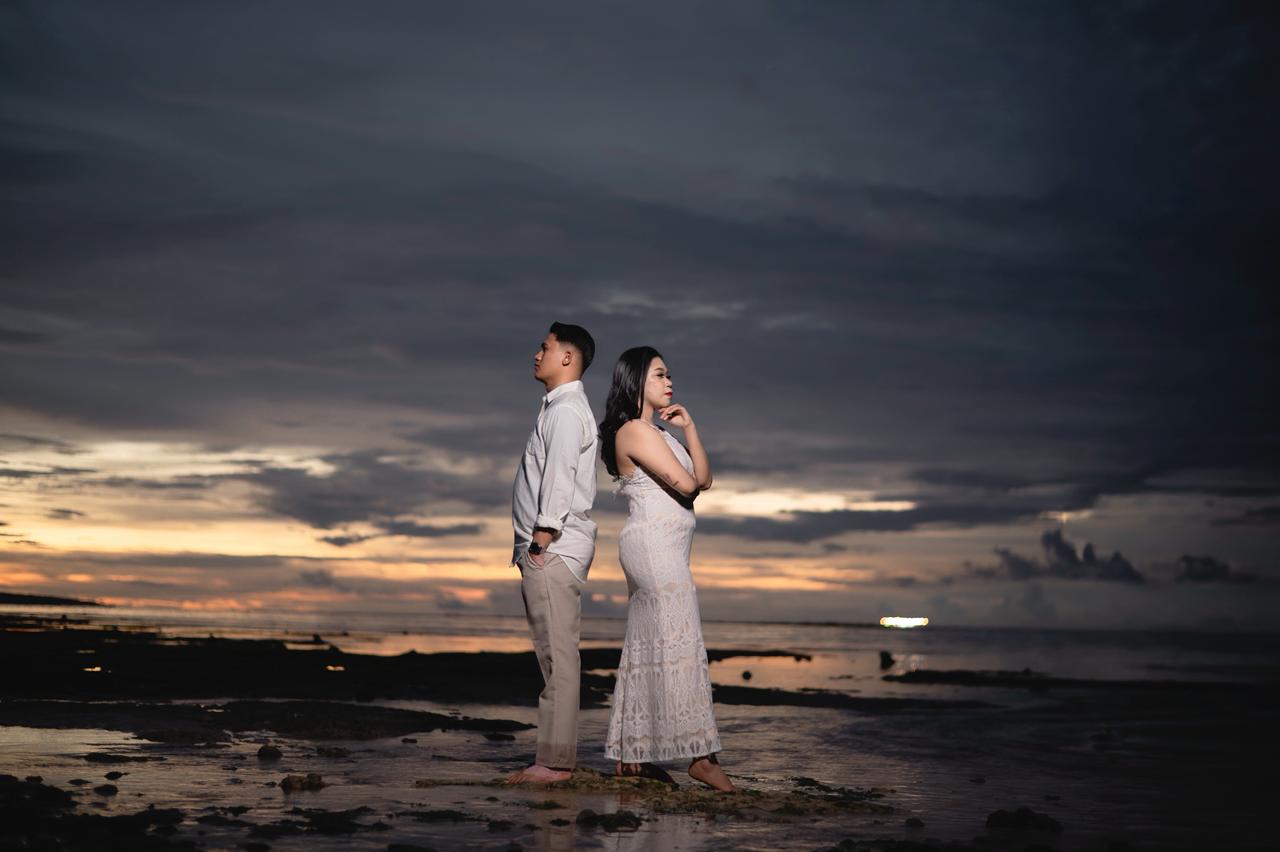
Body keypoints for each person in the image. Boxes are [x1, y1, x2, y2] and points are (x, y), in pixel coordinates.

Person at [597, 346, 734, 792]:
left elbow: (705, 478)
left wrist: (689, 428)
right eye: (659, 374)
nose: (669, 382)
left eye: (669, 374)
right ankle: (702, 758)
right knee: (681, 641)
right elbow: (689, 486)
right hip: (654, 548)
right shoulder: (634, 431)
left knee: (648, 644)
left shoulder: (657, 433)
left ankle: (631, 757)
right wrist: (689, 468)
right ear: (636, 380)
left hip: (666, 547)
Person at [506, 322, 598, 785]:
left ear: (567, 357)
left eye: (544, 347)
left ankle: (555, 763)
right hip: (551, 549)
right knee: (554, 656)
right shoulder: (559, 408)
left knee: (557, 657)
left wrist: (541, 539)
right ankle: (554, 759)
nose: (536, 354)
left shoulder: (564, 411)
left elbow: (559, 478)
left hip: (552, 549)